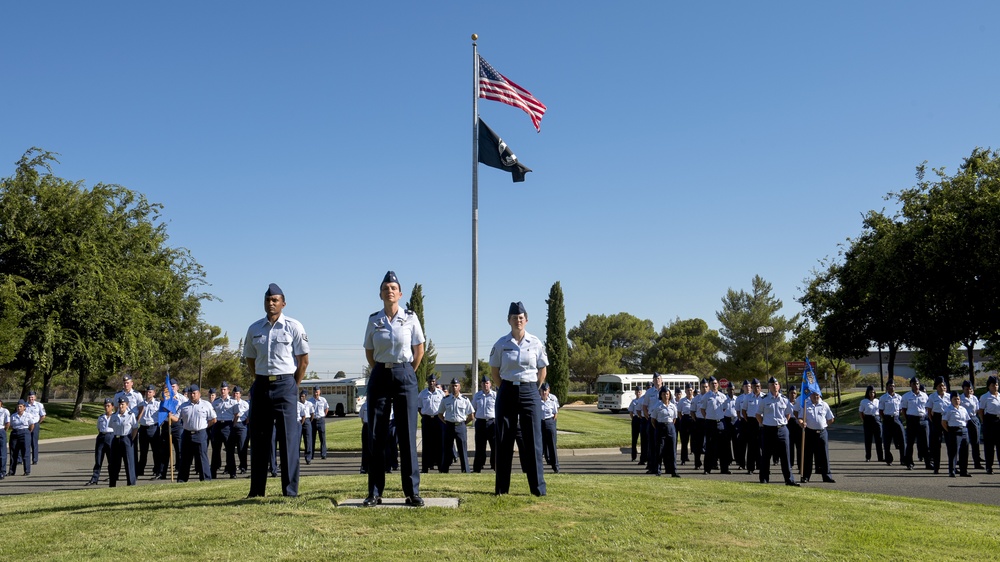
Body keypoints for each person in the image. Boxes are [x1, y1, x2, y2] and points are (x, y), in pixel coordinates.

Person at [363, 271, 425, 507]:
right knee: (377, 435)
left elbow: (418, 349)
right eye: (385, 288)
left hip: (404, 374)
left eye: (393, 287)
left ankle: (412, 492)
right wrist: (383, 368)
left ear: (400, 294)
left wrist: (406, 370)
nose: (389, 291)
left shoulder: (410, 317)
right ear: (380, 294)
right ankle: (375, 492)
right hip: (380, 374)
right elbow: (369, 351)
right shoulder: (373, 320)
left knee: (407, 435)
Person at [244, 283, 310, 498]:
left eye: (275, 300)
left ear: (283, 303)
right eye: (267, 300)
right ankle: (256, 491)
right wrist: (260, 379)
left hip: (286, 385)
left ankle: (290, 491)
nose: (271, 303)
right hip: (262, 385)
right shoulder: (254, 328)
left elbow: (303, 361)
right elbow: (251, 360)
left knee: (289, 440)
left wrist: (293, 385)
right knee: (260, 439)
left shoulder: (293, 326)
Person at [490, 301, 548, 497]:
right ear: (509, 320)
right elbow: (495, 371)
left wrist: (534, 388)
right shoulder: (501, 344)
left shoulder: (536, 342)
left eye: (521, 318)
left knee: (533, 441)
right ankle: (502, 489)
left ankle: (538, 489)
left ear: (527, 320)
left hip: (529, 391)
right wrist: (504, 388)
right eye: (514, 318)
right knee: (504, 439)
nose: (518, 321)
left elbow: (542, 369)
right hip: (506, 391)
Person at [756, 377, 799, 486]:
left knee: (785, 456)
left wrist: (782, 423)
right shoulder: (764, 399)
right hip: (768, 430)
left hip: (782, 430)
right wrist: (764, 424)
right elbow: (758, 415)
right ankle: (764, 479)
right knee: (766, 456)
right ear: (769, 387)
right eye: (772, 384)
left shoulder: (784, 399)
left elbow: (788, 414)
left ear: (779, 386)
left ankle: (789, 480)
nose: (774, 386)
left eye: (776, 384)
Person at [170, 384, 217, 482]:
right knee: (185, 458)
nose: (192, 395)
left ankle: (205, 479)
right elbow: (176, 419)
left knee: (202, 457)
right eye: (191, 393)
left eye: (194, 393)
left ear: (199, 394)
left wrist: (204, 427)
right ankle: (182, 480)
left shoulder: (206, 404)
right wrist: (168, 414)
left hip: (200, 434)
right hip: (187, 434)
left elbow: (213, 419)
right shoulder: (183, 406)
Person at [438, 377, 474, 473]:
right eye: (452, 386)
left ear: (459, 387)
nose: (454, 387)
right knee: (447, 449)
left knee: (462, 450)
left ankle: (465, 470)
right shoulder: (446, 399)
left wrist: (464, 423)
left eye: (456, 386)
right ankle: (444, 471)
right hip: (449, 426)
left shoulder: (465, 399)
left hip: (460, 426)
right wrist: (446, 422)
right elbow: (440, 413)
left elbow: (471, 415)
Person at [800, 390, 835, 483]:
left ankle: (827, 476)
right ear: (810, 395)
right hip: (809, 432)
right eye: (814, 395)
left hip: (822, 432)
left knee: (824, 455)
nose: (816, 396)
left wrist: (823, 425)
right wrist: (802, 423)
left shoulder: (824, 405)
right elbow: (800, 418)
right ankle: (805, 476)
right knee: (808, 455)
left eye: (817, 395)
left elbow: (831, 418)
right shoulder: (805, 404)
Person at [900, 377, 930, 470]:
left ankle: (928, 463)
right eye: (914, 384)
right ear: (910, 385)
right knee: (910, 443)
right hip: (912, 420)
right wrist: (908, 419)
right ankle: (909, 463)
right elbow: (903, 410)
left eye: (917, 384)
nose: (916, 386)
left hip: (923, 420)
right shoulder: (906, 396)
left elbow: (927, 408)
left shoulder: (924, 395)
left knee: (925, 443)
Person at [700, 376, 728, 474]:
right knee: (710, 447)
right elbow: (702, 410)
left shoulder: (722, 396)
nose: (714, 385)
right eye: (712, 383)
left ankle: (724, 469)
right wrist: (708, 417)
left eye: (716, 383)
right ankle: (707, 469)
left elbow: (724, 409)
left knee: (723, 447)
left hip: (720, 422)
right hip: (710, 423)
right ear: (709, 385)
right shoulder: (706, 397)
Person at [108, 397, 139, 487]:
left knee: (129, 462)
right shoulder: (114, 416)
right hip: (116, 439)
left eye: (123, 404)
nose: (121, 406)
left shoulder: (130, 415)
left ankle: (131, 483)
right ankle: (112, 484)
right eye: (120, 404)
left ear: (127, 405)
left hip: (126, 439)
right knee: (114, 463)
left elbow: (135, 428)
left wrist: (130, 439)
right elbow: (111, 426)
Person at [417, 375, 445, 473]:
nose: (431, 383)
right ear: (427, 382)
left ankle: (441, 467)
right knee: (426, 444)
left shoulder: (441, 393)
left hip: (438, 420)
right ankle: (425, 468)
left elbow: (445, 407)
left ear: (435, 382)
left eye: (433, 381)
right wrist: (425, 416)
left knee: (439, 443)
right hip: (427, 420)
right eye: (430, 381)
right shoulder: (422, 394)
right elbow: (419, 407)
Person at [649, 386, 679, 477]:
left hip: (670, 427)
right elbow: (653, 420)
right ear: (660, 395)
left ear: (669, 395)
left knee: (672, 450)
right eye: (663, 394)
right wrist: (659, 427)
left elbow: (674, 419)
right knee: (659, 450)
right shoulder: (657, 406)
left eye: (667, 394)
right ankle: (658, 470)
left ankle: (673, 470)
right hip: (660, 427)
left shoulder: (673, 406)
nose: (665, 396)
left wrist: (669, 426)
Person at [86, 399, 116, 485]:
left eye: (108, 406)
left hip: (111, 436)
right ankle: (95, 478)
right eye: (105, 406)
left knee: (111, 460)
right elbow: (99, 428)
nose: (106, 408)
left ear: (112, 407)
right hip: (101, 437)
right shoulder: (101, 417)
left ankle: (112, 477)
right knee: (98, 459)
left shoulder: (115, 416)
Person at [942, 391, 971, 477]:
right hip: (954, 431)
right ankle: (952, 470)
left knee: (964, 452)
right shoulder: (948, 409)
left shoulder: (963, 409)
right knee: (953, 452)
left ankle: (963, 471)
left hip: (964, 431)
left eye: (958, 399)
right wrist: (950, 431)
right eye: (954, 399)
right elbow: (944, 422)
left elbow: (966, 420)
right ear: (951, 400)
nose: (957, 400)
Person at [925, 376, 951, 474]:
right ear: (936, 387)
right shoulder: (932, 397)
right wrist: (933, 422)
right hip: (936, 419)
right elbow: (929, 411)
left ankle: (952, 466)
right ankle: (936, 467)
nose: (942, 388)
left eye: (943, 386)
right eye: (940, 386)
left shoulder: (949, 396)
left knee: (950, 444)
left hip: (947, 420)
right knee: (936, 444)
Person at [211, 382, 237, 478]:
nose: (223, 391)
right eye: (221, 389)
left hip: (228, 425)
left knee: (230, 451)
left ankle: (232, 472)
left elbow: (236, 415)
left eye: (225, 389)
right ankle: (213, 473)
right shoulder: (216, 402)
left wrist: (232, 425)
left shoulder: (233, 402)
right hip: (217, 425)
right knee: (215, 450)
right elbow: (212, 413)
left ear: (228, 391)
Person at [472, 376, 497, 472]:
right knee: (480, 447)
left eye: (487, 383)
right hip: (481, 423)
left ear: (490, 384)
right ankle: (477, 468)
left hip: (492, 423)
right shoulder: (477, 395)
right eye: (483, 383)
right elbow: (473, 409)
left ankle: (495, 466)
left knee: (494, 447)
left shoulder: (495, 395)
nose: (485, 385)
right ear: (481, 384)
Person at [136, 384, 162, 479]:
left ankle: (157, 470)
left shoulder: (158, 404)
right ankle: (140, 470)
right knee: (143, 452)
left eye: (150, 392)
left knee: (156, 452)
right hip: (143, 428)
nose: (148, 393)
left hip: (153, 428)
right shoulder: (141, 403)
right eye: (147, 392)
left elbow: (162, 416)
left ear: (154, 393)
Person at [741, 378, 764, 475]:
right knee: (751, 446)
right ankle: (750, 468)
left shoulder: (764, 397)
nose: (756, 388)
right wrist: (748, 421)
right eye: (754, 386)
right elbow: (743, 411)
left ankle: (762, 467)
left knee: (762, 446)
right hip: (751, 422)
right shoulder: (747, 397)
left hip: (763, 422)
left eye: (758, 386)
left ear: (760, 387)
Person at [879, 381, 904, 466]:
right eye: (890, 386)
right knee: (887, 441)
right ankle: (888, 459)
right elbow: (881, 411)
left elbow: (901, 409)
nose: (892, 387)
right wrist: (885, 419)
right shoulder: (883, 398)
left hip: (896, 418)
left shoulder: (899, 397)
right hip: (887, 419)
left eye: (893, 386)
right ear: (886, 387)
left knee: (902, 439)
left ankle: (903, 459)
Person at [959, 380, 983, 469]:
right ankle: (962, 462)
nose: (968, 390)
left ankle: (977, 462)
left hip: (973, 419)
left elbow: (977, 409)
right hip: (964, 420)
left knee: (975, 442)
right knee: (964, 443)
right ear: (963, 389)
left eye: (970, 389)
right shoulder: (960, 398)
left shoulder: (974, 398)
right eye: (966, 389)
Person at [978, 375, 1000, 474]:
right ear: (988, 386)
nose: (995, 387)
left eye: (996, 385)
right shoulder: (985, 397)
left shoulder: (999, 396)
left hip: (999, 421)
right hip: (989, 421)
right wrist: (984, 421)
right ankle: (989, 466)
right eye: (993, 385)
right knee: (989, 446)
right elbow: (981, 411)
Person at [857, 385, 884, 463]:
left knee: (879, 439)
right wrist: (864, 420)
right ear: (867, 393)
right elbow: (861, 412)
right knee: (868, 440)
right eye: (870, 392)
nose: (872, 394)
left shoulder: (877, 401)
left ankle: (880, 457)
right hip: (868, 420)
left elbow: (881, 411)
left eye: (873, 392)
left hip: (877, 419)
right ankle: (868, 456)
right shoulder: (864, 401)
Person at [8, 400, 33, 476]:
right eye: (18, 406)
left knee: (25, 452)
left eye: (20, 406)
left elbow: (31, 425)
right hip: (15, 433)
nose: (19, 408)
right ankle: (12, 471)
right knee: (13, 453)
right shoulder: (13, 416)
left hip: (25, 432)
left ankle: (27, 471)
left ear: (24, 407)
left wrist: (27, 432)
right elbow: (11, 425)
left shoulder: (28, 415)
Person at [539, 382, 561, 473]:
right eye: (542, 391)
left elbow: (555, 413)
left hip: (549, 422)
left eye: (546, 391)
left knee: (552, 444)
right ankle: (539, 467)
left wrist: (551, 423)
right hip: (540, 423)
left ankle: (555, 466)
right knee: (540, 446)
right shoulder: (537, 401)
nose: (544, 393)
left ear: (548, 391)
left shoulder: (552, 401)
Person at [231, 386, 250, 475]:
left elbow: (248, 416)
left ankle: (243, 466)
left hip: (241, 425)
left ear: (240, 395)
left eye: (237, 393)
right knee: (229, 448)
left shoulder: (245, 404)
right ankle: (230, 467)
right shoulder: (229, 402)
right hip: (231, 425)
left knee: (242, 447)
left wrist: (244, 423)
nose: (235, 395)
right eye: (234, 393)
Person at [24, 390, 46, 466]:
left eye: (32, 397)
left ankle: (35, 459)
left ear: (35, 397)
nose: (31, 399)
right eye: (29, 397)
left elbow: (43, 416)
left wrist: (38, 423)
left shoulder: (39, 405)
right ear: (27, 397)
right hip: (26, 426)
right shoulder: (24, 405)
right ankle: (23, 459)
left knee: (34, 442)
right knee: (25, 442)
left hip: (35, 424)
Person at [309, 386, 329, 460]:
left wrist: (323, 415)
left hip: (321, 420)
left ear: (319, 392)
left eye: (317, 391)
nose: (316, 393)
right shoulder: (310, 401)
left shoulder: (323, 400)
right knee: (312, 438)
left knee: (322, 438)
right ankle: (311, 455)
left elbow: (326, 408)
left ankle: (323, 454)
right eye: (315, 391)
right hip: (313, 421)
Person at [676, 384, 693, 466]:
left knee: (694, 440)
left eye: (690, 390)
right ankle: (683, 458)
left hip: (693, 420)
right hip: (685, 419)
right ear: (685, 391)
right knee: (684, 441)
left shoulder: (696, 400)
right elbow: (679, 412)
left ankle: (696, 460)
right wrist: (683, 419)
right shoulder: (682, 401)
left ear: (692, 390)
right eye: (688, 390)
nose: (689, 392)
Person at [297, 390, 314, 465]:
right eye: (300, 396)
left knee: (308, 440)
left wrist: (309, 421)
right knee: (297, 441)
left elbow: (312, 414)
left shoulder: (309, 404)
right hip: (299, 421)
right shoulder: (297, 404)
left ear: (306, 397)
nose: (301, 398)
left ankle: (308, 458)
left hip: (307, 421)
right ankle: (296, 458)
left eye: (303, 396)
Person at [627, 387, 644, 462]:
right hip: (636, 419)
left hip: (642, 419)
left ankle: (643, 457)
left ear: (641, 392)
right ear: (635, 392)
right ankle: (633, 456)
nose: (638, 393)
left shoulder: (643, 401)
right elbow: (631, 412)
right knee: (634, 439)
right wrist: (633, 418)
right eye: (637, 391)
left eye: (639, 391)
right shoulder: (633, 401)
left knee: (643, 439)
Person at [0, 399, 8, 479]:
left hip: (1, 431)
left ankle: (2, 471)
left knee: (2, 453)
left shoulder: (5, 411)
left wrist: (4, 431)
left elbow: (7, 423)